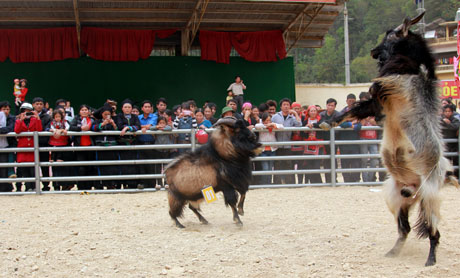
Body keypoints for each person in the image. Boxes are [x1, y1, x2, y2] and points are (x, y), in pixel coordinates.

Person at [271, 98, 301, 184]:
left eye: (288, 105)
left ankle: (290, 183)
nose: (286, 106)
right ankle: (277, 183)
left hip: (287, 144)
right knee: (277, 164)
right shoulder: (275, 116)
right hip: (277, 145)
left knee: (288, 163)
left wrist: (295, 113)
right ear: (280, 106)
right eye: (284, 104)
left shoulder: (292, 117)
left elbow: (299, 125)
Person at [15, 102, 42, 192]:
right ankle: (28, 187)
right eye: (25, 111)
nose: (27, 114)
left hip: (33, 148)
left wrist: (37, 118)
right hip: (22, 148)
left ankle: (34, 186)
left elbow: (39, 130)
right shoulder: (18, 120)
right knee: (24, 169)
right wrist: (21, 120)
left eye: (29, 112)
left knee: (33, 169)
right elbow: (17, 131)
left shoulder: (35, 120)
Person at [70, 104, 97, 190]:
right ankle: (81, 186)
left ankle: (89, 186)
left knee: (90, 167)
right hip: (79, 146)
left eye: (86, 110)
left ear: (89, 112)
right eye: (82, 110)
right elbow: (71, 127)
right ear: (79, 111)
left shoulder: (93, 120)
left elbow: (96, 128)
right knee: (81, 167)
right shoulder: (76, 119)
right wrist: (81, 128)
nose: (84, 111)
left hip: (90, 146)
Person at [93, 103, 120, 189]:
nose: (107, 116)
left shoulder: (114, 121)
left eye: (109, 114)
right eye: (105, 114)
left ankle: (111, 184)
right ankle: (100, 184)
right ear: (102, 114)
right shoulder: (97, 121)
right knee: (101, 166)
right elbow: (93, 128)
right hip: (100, 146)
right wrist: (103, 124)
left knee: (112, 166)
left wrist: (113, 125)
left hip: (111, 146)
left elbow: (118, 133)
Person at [116, 99, 141, 189]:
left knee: (133, 163)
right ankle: (124, 183)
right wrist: (127, 128)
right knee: (123, 163)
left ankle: (132, 183)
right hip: (122, 144)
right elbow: (119, 125)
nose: (127, 109)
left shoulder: (135, 117)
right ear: (122, 108)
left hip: (133, 143)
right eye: (125, 107)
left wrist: (128, 128)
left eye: (129, 107)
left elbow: (138, 126)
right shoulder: (119, 116)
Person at [337, 94, 361, 183]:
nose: (351, 103)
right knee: (345, 162)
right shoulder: (342, 112)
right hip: (343, 141)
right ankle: (346, 180)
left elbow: (359, 126)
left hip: (354, 141)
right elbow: (340, 123)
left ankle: (355, 180)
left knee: (355, 162)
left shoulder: (358, 112)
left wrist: (350, 123)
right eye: (350, 101)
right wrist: (351, 124)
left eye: (353, 101)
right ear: (346, 101)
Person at [47, 109, 73, 191]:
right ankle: (56, 185)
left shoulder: (65, 122)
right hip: (54, 145)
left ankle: (65, 185)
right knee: (54, 164)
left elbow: (68, 128)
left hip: (64, 145)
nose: (58, 118)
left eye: (59, 116)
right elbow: (49, 129)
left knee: (63, 165)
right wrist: (55, 130)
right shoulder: (51, 123)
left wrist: (62, 130)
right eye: (56, 116)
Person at [255, 112, 283, 184]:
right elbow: (256, 126)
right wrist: (266, 126)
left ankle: (269, 183)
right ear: (263, 120)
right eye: (266, 120)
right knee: (265, 168)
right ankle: (264, 183)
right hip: (263, 150)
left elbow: (281, 127)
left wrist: (272, 124)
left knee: (270, 168)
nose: (268, 122)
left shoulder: (273, 125)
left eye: (269, 120)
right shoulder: (260, 125)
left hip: (272, 149)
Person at [318, 98, 340, 183]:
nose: (330, 107)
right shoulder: (322, 114)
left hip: (334, 140)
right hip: (323, 139)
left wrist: (327, 125)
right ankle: (327, 179)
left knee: (333, 159)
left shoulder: (338, 114)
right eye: (329, 105)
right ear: (326, 105)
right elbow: (320, 124)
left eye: (332, 105)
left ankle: (334, 179)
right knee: (326, 160)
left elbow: (336, 126)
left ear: (335, 107)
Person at [32, 97, 52, 191]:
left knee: (44, 165)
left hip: (43, 144)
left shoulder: (47, 116)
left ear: (43, 105)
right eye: (37, 104)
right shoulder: (29, 114)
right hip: (31, 144)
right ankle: (32, 185)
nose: (39, 105)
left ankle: (46, 185)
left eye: (40, 104)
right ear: (33, 105)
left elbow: (47, 129)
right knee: (31, 165)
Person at [138, 100, 158, 189]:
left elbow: (151, 126)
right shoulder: (138, 117)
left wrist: (141, 127)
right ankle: (143, 183)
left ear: (151, 108)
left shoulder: (154, 116)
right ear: (142, 108)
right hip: (140, 143)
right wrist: (142, 127)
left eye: (149, 107)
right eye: (145, 107)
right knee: (141, 164)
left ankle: (152, 184)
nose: (147, 108)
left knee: (151, 164)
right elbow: (136, 125)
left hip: (151, 143)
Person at [302, 105, 324, 184]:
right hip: (307, 145)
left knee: (316, 165)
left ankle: (318, 182)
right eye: (311, 111)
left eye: (314, 111)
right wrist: (305, 129)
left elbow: (323, 126)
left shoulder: (320, 120)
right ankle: (312, 182)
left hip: (318, 145)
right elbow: (302, 133)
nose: (313, 112)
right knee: (309, 165)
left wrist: (314, 125)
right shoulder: (305, 121)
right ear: (308, 112)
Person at [152, 116, 174, 188]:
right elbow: (151, 128)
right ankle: (159, 183)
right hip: (158, 149)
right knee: (158, 167)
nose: (162, 124)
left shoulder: (167, 128)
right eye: (160, 123)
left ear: (166, 123)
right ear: (157, 123)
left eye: (163, 123)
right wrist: (158, 127)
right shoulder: (156, 128)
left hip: (167, 149)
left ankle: (166, 182)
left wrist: (163, 128)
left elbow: (170, 128)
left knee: (166, 166)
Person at [441, 104, 460, 178]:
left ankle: (457, 176)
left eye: (449, 111)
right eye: (446, 111)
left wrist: (447, 124)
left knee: (455, 160)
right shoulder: (440, 119)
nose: (447, 113)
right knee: (446, 160)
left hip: (454, 144)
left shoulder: (455, 119)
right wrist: (444, 122)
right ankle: (446, 176)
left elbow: (455, 127)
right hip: (445, 143)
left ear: (452, 112)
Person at [359, 116, 379, 183]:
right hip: (363, 138)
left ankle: (370, 179)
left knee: (375, 160)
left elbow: (377, 123)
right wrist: (365, 119)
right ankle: (365, 180)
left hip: (373, 138)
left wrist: (371, 120)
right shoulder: (362, 113)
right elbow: (360, 124)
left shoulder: (375, 114)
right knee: (364, 160)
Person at [0, 101, 17, 179]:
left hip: (9, 144)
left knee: (8, 165)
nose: (6, 111)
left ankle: (11, 174)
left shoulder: (12, 118)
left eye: (8, 109)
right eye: (4, 109)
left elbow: (10, 128)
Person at [0, 110, 13, 192]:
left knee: (3, 169)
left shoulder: (2, 114)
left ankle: (4, 189)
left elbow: (7, 128)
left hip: (3, 145)